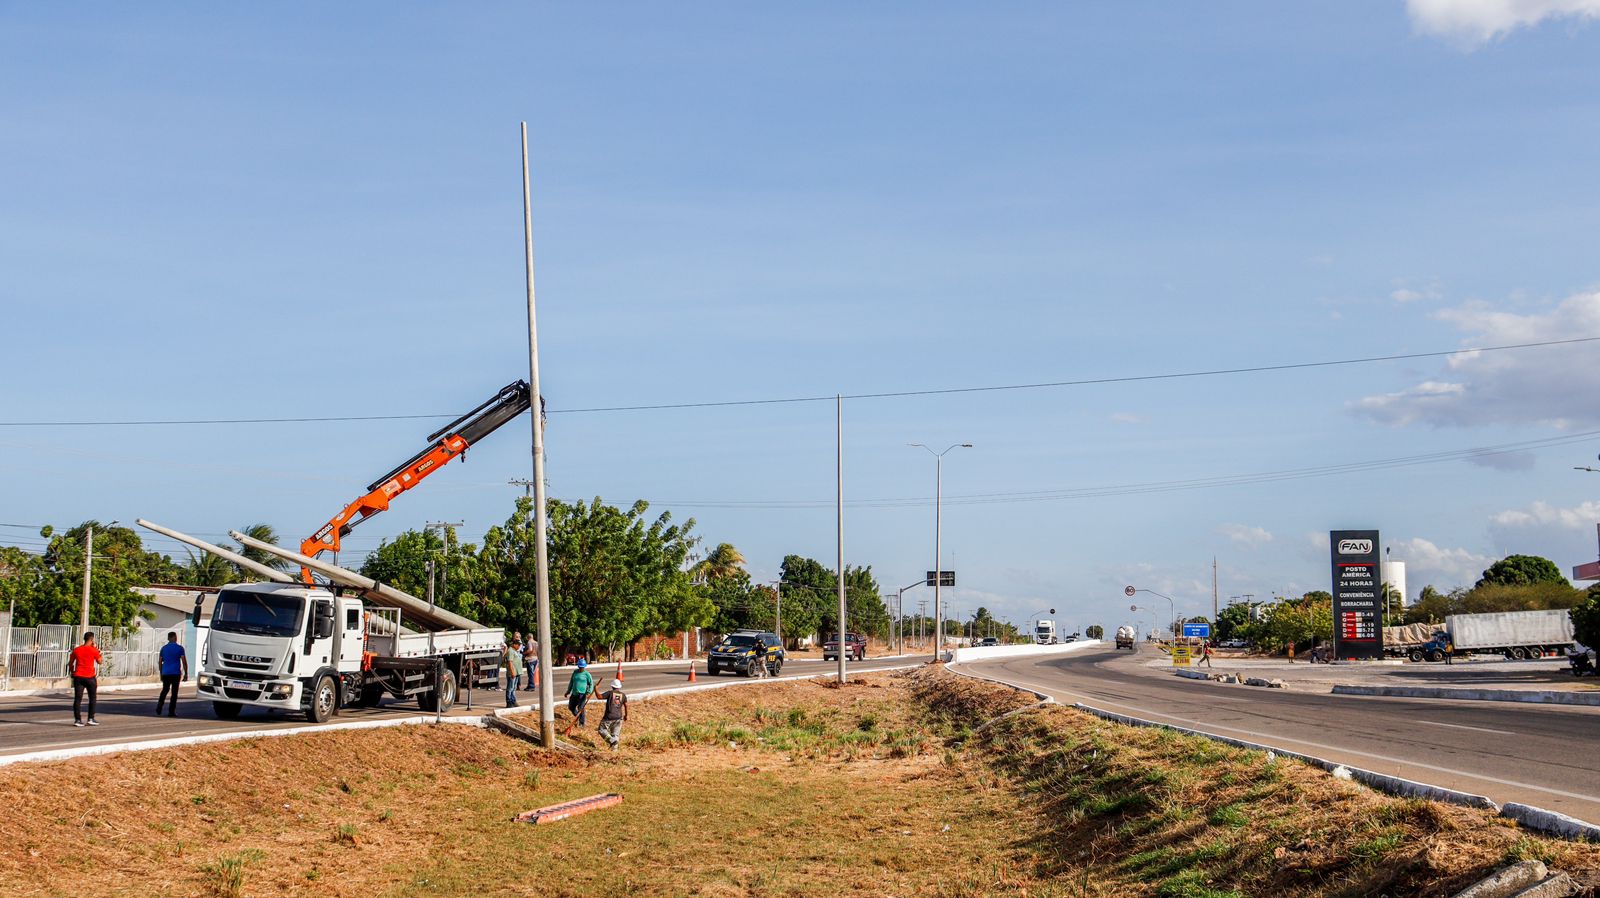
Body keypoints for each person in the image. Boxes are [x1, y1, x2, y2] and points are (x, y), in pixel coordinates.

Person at [67, 631, 103, 727]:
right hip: (90, 677)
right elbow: (100, 661)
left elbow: (70, 663)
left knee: (78, 699)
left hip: (78, 676)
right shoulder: (94, 650)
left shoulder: (77, 650)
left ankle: (77, 720)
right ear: (91, 639)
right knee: (92, 698)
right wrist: (97, 650)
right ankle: (91, 718)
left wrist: (72, 672)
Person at [157, 631, 188, 717]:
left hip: (166, 673)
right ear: (174, 638)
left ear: (168, 638)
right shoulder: (180, 648)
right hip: (175, 673)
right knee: (174, 693)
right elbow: (184, 662)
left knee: (165, 690)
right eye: (175, 637)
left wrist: (161, 672)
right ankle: (171, 711)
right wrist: (186, 674)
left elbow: (160, 662)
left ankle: (160, 704)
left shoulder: (163, 648)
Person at [597, 678, 628, 750]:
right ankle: (614, 750)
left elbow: (599, 697)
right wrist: (626, 715)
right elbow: (626, 705)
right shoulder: (623, 695)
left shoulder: (610, 693)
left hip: (609, 716)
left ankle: (612, 740)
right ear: (619, 687)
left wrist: (596, 689)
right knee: (615, 734)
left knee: (601, 730)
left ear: (612, 686)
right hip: (619, 717)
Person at [566, 658, 594, 727]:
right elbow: (571, 682)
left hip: (582, 694)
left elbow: (591, 684)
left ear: (584, 667)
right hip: (574, 693)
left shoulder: (587, 674)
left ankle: (582, 723)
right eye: (580, 667)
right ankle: (577, 716)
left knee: (581, 708)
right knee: (571, 707)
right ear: (578, 666)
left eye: (582, 667)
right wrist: (568, 691)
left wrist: (589, 692)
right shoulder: (575, 672)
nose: (581, 668)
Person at [504, 639, 525, 707]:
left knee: (514, 688)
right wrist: (512, 672)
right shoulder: (510, 651)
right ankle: (509, 702)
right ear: (514, 644)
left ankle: (513, 701)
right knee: (510, 688)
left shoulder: (515, 651)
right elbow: (510, 662)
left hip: (517, 672)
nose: (519, 646)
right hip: (512, 673)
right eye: (518, 645)